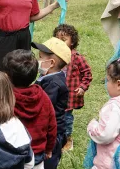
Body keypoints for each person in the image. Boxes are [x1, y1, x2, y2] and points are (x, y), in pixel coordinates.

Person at [3, 49, 57, 169]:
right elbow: (52, 126)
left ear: (7, 76)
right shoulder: (43, 96)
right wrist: (49, 149)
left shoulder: (5, 98)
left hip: (11, 154)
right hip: (37, 155)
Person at [32, 37, 71, 169]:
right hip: (49, 130)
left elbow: (41, 107)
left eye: (41, 57)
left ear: (51, 63)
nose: (38, 60)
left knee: (47, 163)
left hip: (52, 135)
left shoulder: (54, 84)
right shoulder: (49, 77)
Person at [53, 24, 93, 152]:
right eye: (57, 39)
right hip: (54, 94)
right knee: (54, 116)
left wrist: (82, 87)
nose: (60, 42)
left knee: (67, 118)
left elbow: (87, 73)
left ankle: (67, 139)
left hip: (69, 97)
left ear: (72, 42)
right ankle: (54, 136)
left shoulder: (76, 58)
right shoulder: (52, 55)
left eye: (64, 39)